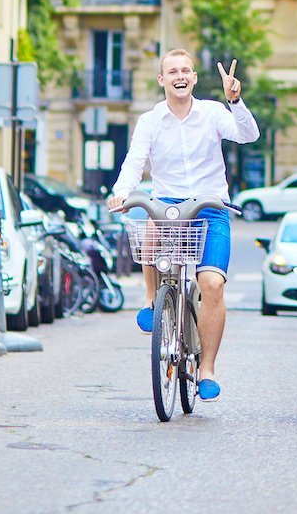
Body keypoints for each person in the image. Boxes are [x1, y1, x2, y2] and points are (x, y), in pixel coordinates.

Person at [107, 49, 259, 402]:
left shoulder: (212, 112)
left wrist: (235, 100)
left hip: (210, 205)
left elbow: (247, 135)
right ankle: (150, 300)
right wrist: (121, 194)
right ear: (162, 79)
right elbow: (134, 163)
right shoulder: (150, 120)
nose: (180, 76)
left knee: (211, 284)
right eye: (172, 71)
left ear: (193, 78)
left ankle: (206, 368)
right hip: (170, 205)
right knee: (149, 219)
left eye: (186, 71)